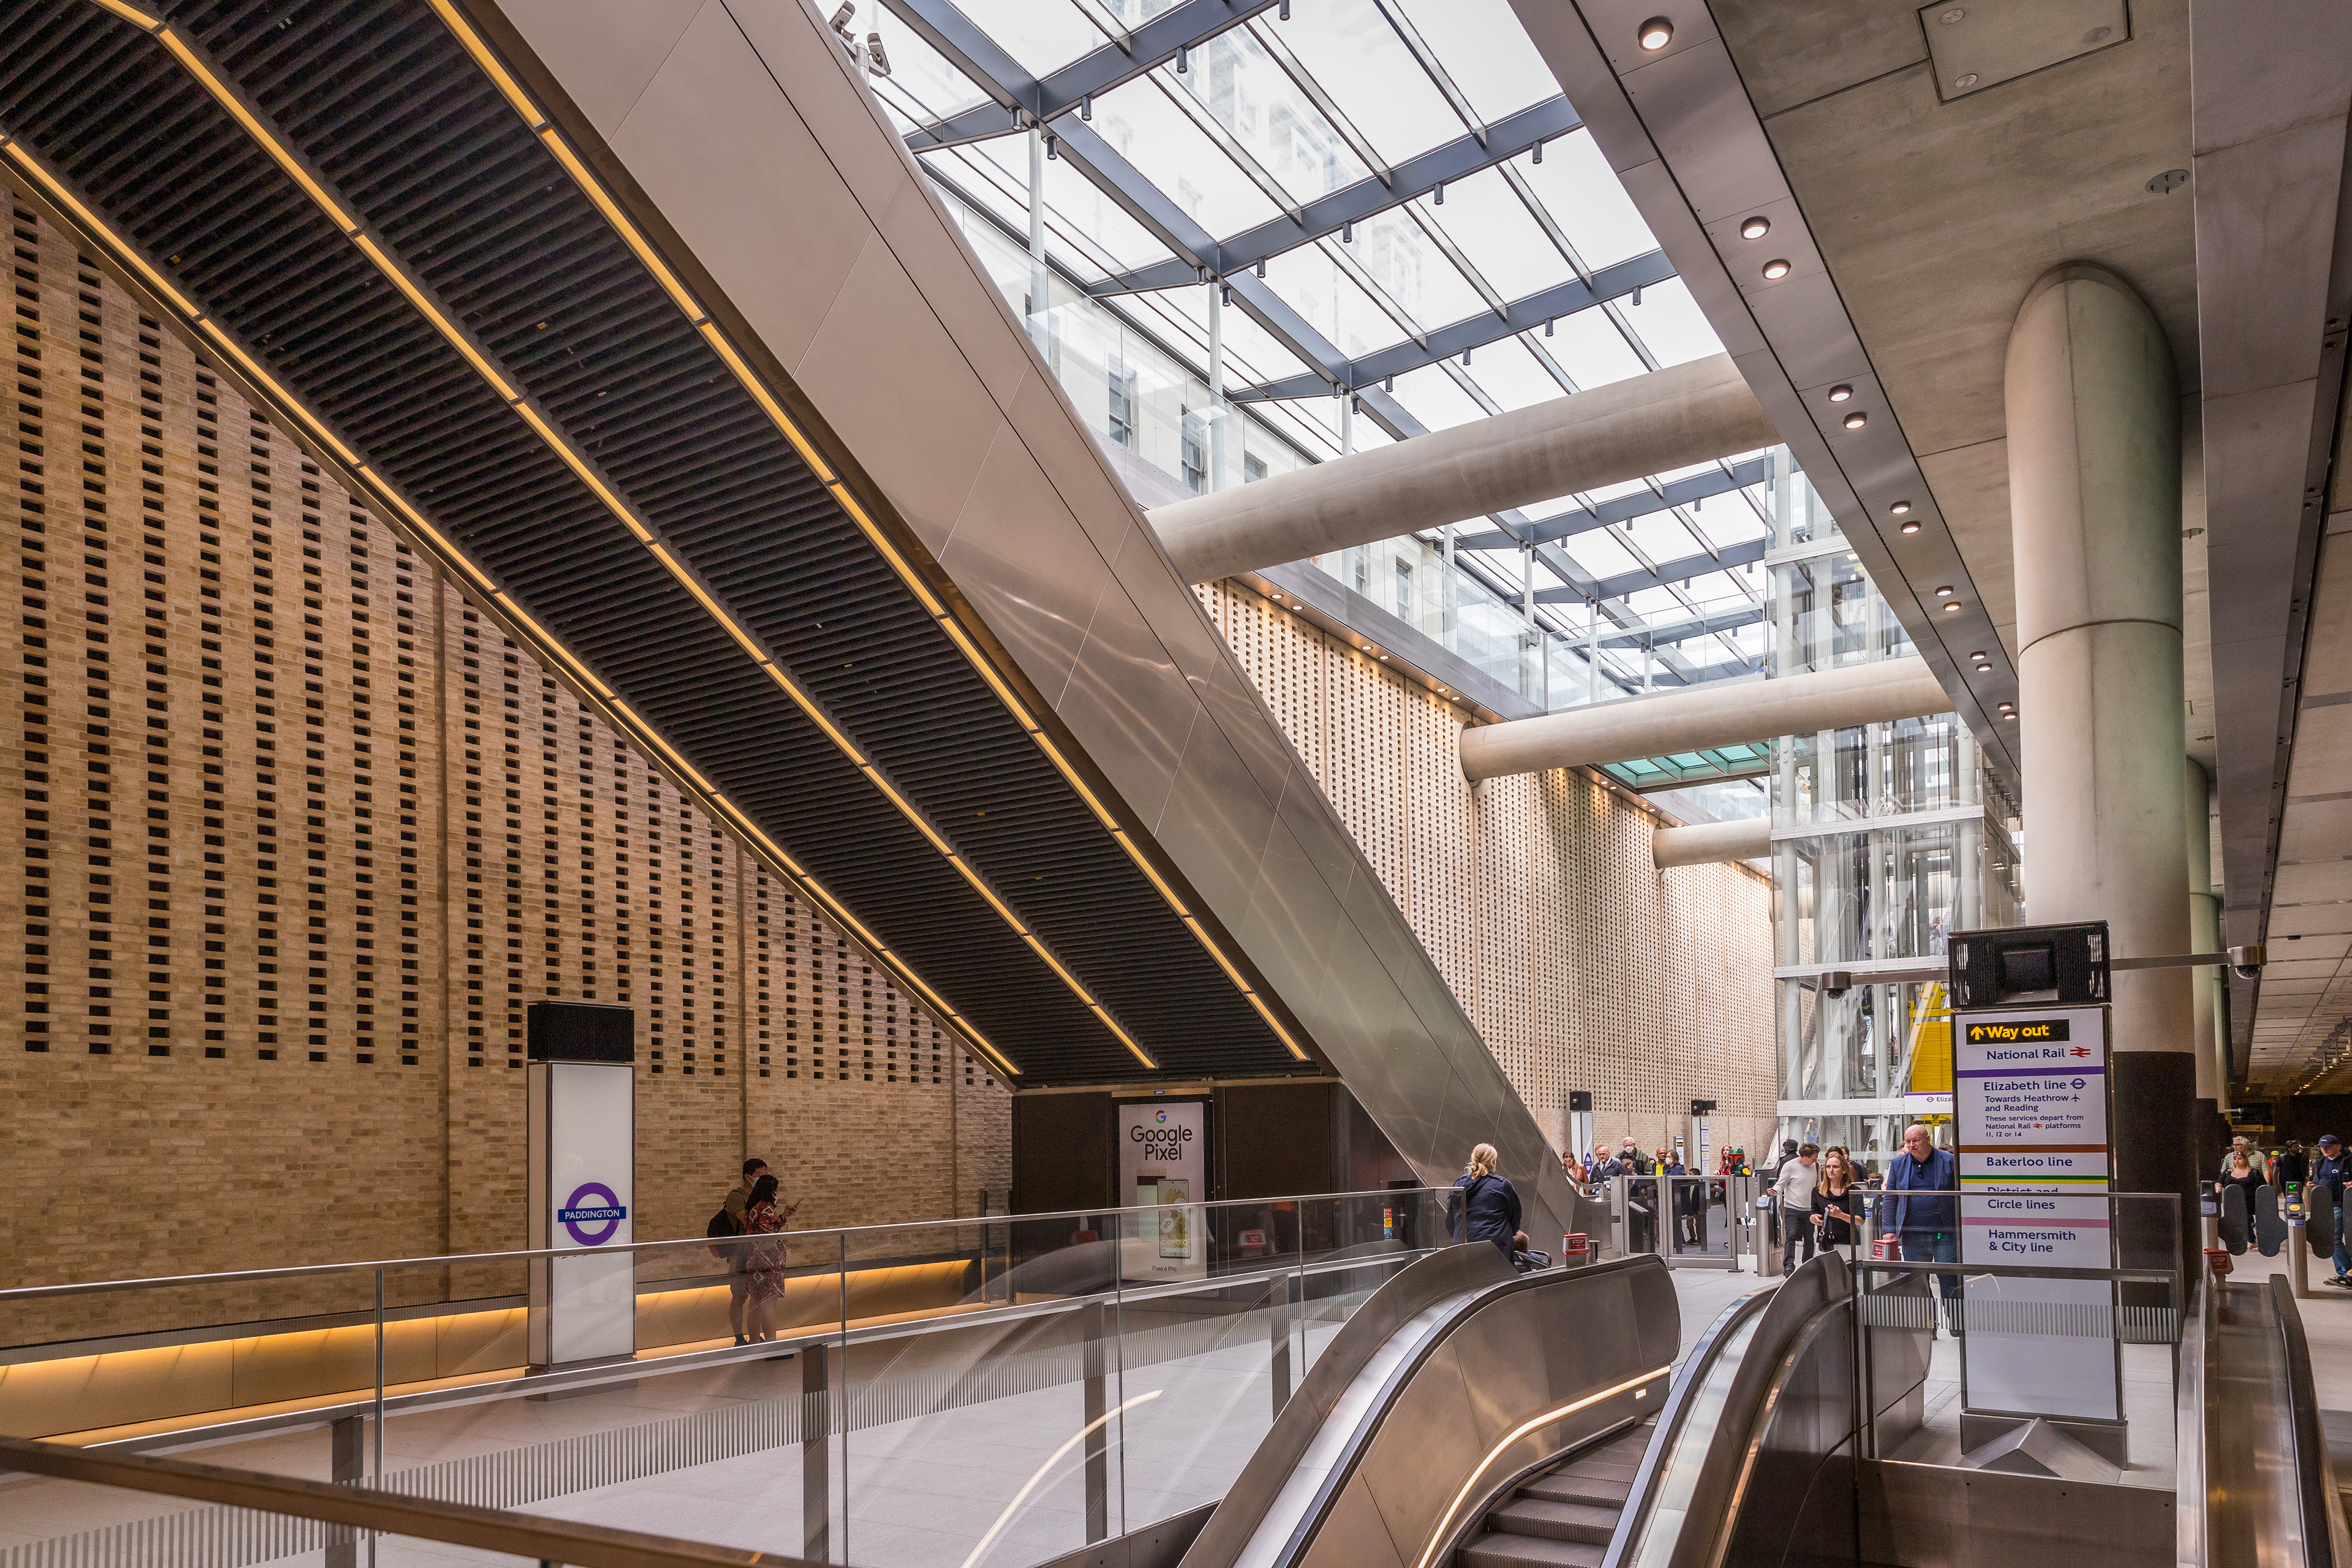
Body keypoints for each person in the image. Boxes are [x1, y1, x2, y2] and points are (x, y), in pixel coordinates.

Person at [1884, 1124, 1961, 1336]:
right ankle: (1928, 1327)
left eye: (1915, 1141)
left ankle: (1957, 1325)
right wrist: (1888, 1229)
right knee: (1918, 1282)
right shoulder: (1899, 1164)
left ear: (1927, 1139)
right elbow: (1890, 1199)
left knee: (1949, 1279)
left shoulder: (1949, 1161)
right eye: (1908, 1142)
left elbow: (1960, 1195)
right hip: (1912, 1234)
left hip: (1945, 1233)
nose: (1911, 1145)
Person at [740, 1172, 799, 1352]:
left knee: (755, 1302)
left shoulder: (753, 1207)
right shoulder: (766, 1208)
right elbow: (769, 1229)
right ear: (770, 1190)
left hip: (753, 1260)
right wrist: (783, 1218)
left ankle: (754, 1343)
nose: (777, 1193)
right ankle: (772, 1347)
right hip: (769, 1262)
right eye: (776, 1189)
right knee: (768, 1305)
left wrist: (783, 1216)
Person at [719, 1157, 768, 1347]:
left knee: (758, 1296)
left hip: (759, 1253)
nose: (762, 1179)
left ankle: (756, 1336)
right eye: (760, 1175)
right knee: (740, 1295)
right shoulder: (736, 1196)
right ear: (748, 1177)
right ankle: (739, 1338)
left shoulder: (764, 1196)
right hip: (741, 1254)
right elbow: (748, 1221)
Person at [1449, 1144, 1522, 1258]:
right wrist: (1509, 1234)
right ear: (1493, 1162)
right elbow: (1515, 1216)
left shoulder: (1459, 1185)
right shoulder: (1502, 1185)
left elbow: (1450, 1220)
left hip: (1464, 1248)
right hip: (1496, 1248)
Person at [2310, 1134, 2350, 1286]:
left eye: (2328, 1146)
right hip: (2325, 1207)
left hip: (2342, 1204)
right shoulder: (2320, 1162)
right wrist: (2314, 1184)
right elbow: (2317, 1179)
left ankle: (2346, 1273)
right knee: (2334, 1239)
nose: (2324, 1149)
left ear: (2338, 1146)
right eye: (2322, 1147)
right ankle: (2346, 1274)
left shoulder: (2348, 1161)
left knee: (2334, 1239)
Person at [1774, 1142, 1821, 1270]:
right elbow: (1781, 1183)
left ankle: (1808, 1264)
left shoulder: (1816, 1166)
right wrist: (1775, 1190)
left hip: (1810, 1209)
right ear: (1805, 1156)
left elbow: (1819, 1185)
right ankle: (1789, 1265)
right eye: (1813, 1158)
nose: (1815, 1160)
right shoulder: (1790, 1166)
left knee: (1809, 1238)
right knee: (1791, 1235)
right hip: (1792, 1208)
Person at [1813, 1146, 1864, 1262]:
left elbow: (1860, 1220)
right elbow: (1813, 1214)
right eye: (1828, 1167)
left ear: (1844, 1170)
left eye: (1835, 1167)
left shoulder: (1854, 1191)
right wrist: (1814, 1218)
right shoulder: (1818, 1191)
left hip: (1848, 1242)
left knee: (1849, 1277)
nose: (1831, 1170)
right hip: (1825, 1242)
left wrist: (1841, 1215)